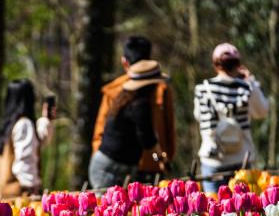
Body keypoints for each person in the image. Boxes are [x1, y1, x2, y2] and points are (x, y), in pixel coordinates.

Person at [92, 36, 176, 183]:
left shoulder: (128, 94)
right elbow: (148, 139)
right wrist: (162, 159)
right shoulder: (137, 103)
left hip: (130, 165)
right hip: (113, 166)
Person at [194, 43, 269, 192]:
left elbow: (198, 116)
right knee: (243, 211)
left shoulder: (202, 89)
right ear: (238, 65)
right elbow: (262, 111)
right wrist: (251, 81)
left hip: (213, 160)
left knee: (213, 210)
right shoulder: (247, 87)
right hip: (241, 159)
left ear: (216, 65)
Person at [0, 79, 54, 199]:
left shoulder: (9, 126)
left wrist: (46, 120)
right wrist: (32, 189)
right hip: (20, 195)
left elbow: (38, 140)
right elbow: (26, 160)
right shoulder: (24, 124)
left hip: (5, 193)